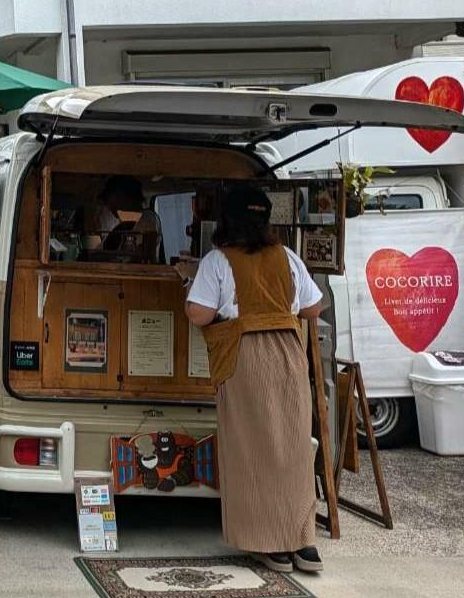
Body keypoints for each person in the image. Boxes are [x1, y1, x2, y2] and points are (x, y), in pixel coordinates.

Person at [183, 184, 324, 575]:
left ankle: (270, 546)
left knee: (252, 447)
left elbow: (199, 314)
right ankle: (304, 541)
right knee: (293, 445)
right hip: (289, 354)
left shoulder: (216, 261)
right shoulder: (287, 256)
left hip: (243, 354)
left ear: (225, 219)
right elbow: (313, 307)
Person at [80, 175, 162, 262]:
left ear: (125, 196)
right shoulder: (121, 225)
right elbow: (98, 252)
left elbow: (140, 256)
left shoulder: (148, 219)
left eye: (113, 198)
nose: (109, 205)